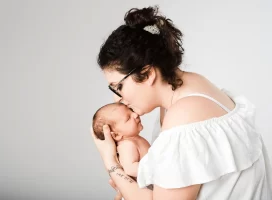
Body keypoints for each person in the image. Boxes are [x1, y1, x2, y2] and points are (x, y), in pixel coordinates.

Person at [91, 6, 272, 200]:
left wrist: (110, 162)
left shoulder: (183, 120)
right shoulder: (194, 86)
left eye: (118, 87)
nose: (119, 99)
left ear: (148, 74)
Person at [92, 103, 150, 179]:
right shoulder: (126, 145)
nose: (135, 114)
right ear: (116, 135)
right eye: (128, 118)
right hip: (147, 185)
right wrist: (157, 168)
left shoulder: (134, 139)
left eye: (131, 110)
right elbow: (130, 169)